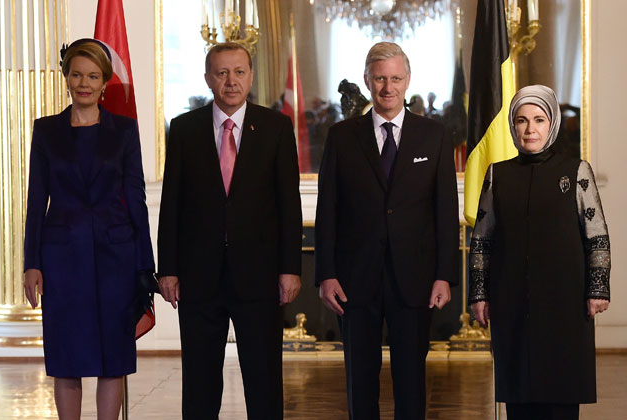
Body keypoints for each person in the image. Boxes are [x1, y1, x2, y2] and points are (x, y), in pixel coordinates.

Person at [157, 42, 302, 420]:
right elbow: (171, 204)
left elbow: (289, 204)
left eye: (239, 72)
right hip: (198, 277)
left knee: (264, 377)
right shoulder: (185, 128)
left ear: (251, 76)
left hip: (259, 276)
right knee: (201, 381)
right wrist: (167, 269)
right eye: (221, 73)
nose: (231, 81)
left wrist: (291, 269)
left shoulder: (276, 127)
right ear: (208, 78)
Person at [315, 42, 459, 420]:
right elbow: (327, 210)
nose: (388, 87)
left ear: (408, 80)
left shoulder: (434, 136)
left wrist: (445, 275)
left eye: (396, 78)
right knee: (359, 380)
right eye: (380, 78)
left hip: (415, 279)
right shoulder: (342, 136)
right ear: (367, 80)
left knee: (411, 380)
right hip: (353, 279)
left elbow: (445, 211)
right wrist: (325, 274)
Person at [23, 38, 155, 420]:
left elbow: (137, 200)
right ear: (66, 78)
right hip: (62, 260)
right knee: (67, 356)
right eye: (77, 74)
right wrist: (32, 262)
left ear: (104, 81)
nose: (84, 83)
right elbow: (36, 202)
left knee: (113, 357)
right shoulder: (46, 131)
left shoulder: (125, 131)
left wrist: (145, 266)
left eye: (93, 76)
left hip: (117, 258)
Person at [469, 85, 611, 420]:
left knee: (561, 392)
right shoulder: (497, 175)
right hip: (512, 300)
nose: (530, 128)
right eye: (521, 120)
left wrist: (598, 288)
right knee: (519, 393)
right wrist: (479, 293)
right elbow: (482, 241)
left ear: (552, 124)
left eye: (538, 119)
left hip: (566, 301)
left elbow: (597, 236)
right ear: (512, 126)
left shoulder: (577, 172)